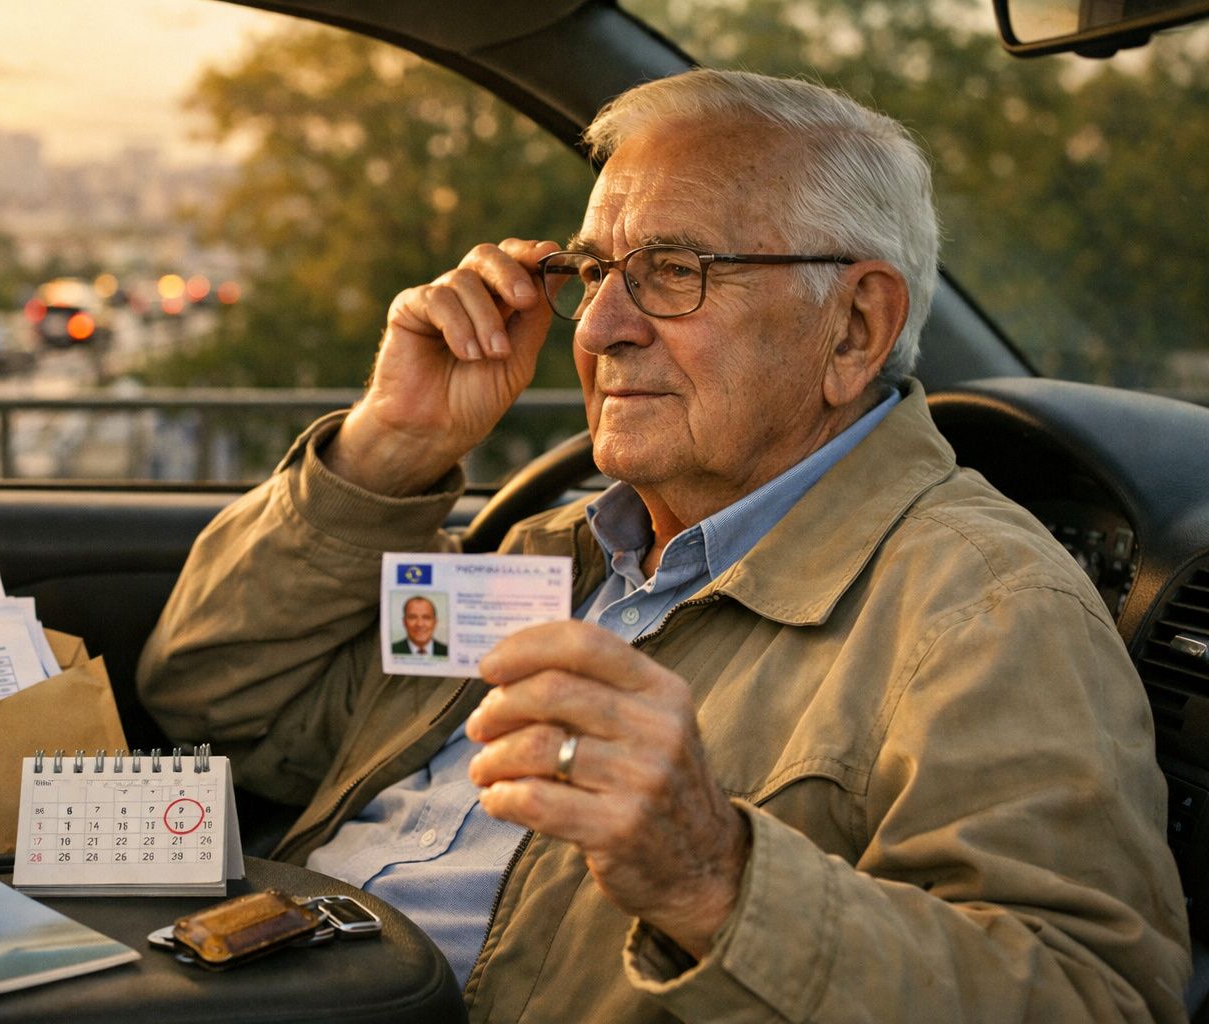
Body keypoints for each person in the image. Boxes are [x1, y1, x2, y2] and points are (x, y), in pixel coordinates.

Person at [138, 68, 1189, 1022]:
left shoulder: (982, 607)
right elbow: (219, 703)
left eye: (675, 269)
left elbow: (1087, 996)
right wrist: (389, 449)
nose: (596, 330)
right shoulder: (556, 551)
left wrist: (718, 882)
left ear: (857, 327)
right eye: (593, 271)